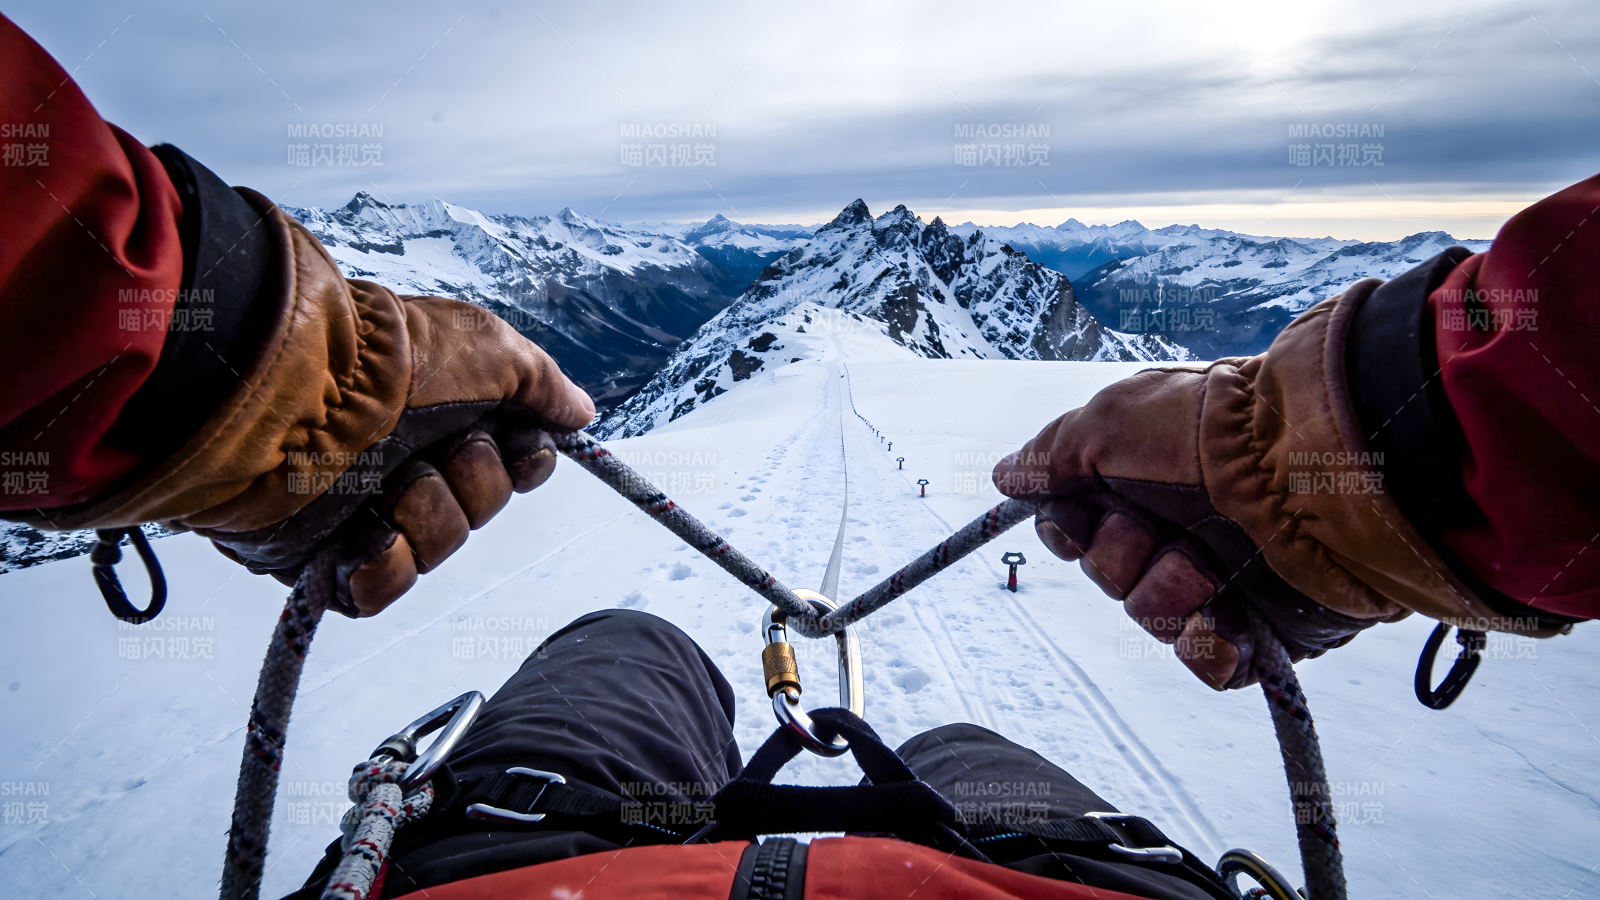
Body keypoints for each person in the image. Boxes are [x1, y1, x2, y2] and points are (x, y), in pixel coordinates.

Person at [2, 11, 1594, 899]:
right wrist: (1339, 473)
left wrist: (261, 385)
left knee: (622, 649)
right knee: (976, 757)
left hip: (512, 880)